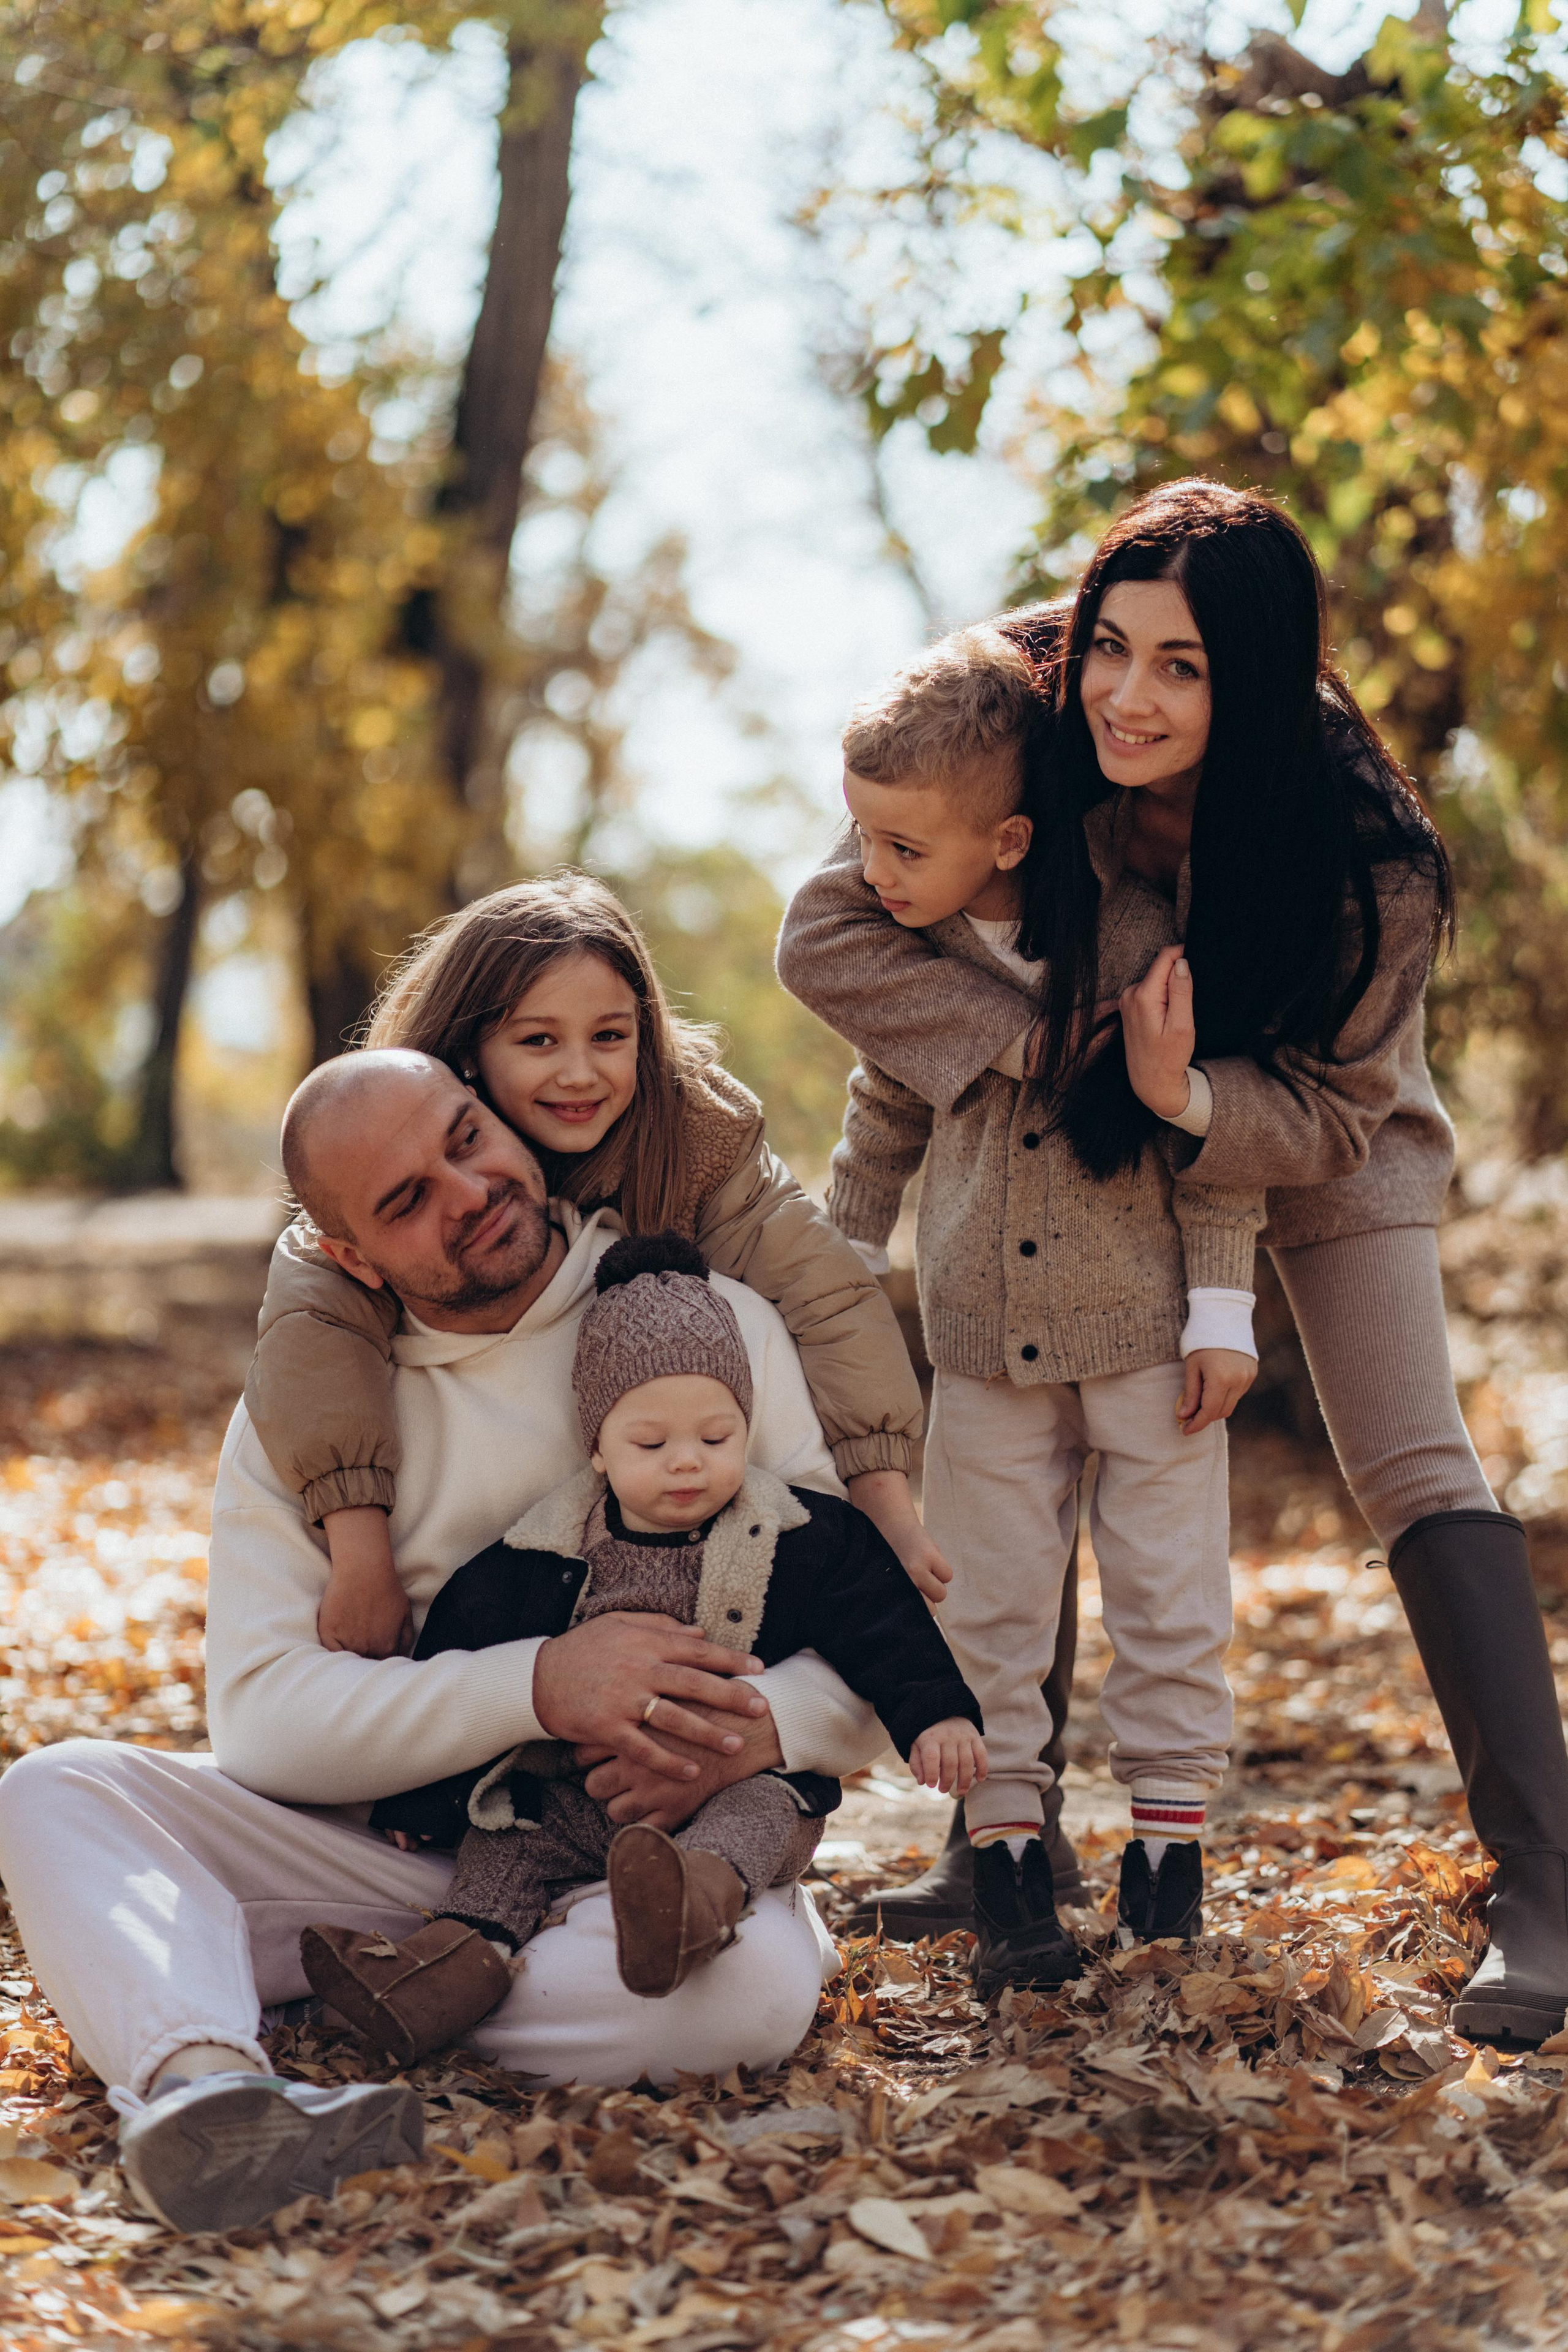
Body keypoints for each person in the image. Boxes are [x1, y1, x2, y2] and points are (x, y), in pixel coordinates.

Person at [780, 478, 1568, 2049]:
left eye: (1183, 666)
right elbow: (847, 916)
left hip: (1303, 1131)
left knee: (1410, 1457)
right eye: (1111, 648)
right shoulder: (1025, 707)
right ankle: (1002, 1841)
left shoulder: (1370, 858)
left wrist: (1182, 1098)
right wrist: (1050, 1051)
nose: (1127, 697)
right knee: (1023, 1417)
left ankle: (1548, 1883)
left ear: (1254, 679)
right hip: (1079, 1135)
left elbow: (1333, 1113)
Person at [0, 1053, 893, 2233]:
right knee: (58, 1792)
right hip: (376, 1847)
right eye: (406, 1200)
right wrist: (540, 1685)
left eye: (465, 1139)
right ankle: (209, 2092)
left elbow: (871, 1638)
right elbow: (265, 1719)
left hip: (627, 1864)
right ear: (352, 1258)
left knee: (742, 1995)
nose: (467, 1191)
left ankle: (374, 1995)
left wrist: (755, 1731)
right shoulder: (315, 1399)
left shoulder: (703, 1323)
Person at [781, 617, 1267, 1994]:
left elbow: (1212, 1133)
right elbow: (879, 1122)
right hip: (982, 1345)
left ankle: (1166, 1869)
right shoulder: (912, 965)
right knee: (986, 1608)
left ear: (1002, 841)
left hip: (1150, 1338)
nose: (866, 878)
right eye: (861, 843)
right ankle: (1006, 1878)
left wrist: (1221, 1310)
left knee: (1170, 1604)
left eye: (897, 850)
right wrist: (832, 1276)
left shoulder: (1136, 934)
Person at [300, 1232, 986, 2063]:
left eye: (717, 1437)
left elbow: (883, 1623)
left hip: (734, 1790)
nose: (687, 1465)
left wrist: (938, 1716)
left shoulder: (800, 1535)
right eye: (651, 1446)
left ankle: (687, 1907)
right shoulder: (543, 1549)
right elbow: (462, 1646)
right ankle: (441, 1973)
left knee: (764, 1812)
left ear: (745, 1426)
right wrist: (422, 1804)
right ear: (597, 1444)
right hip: (576, 1792)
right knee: (504, 1842)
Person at [246, 874, 933, 1665]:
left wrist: (885, 1509)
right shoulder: (405, 1142)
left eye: (609, 1037)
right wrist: (361, 1546)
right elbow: (312, 1334)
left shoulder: (698, 1137)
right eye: (538, 1041)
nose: (579, 1074)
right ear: (468, 1055)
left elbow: (829, 1296)